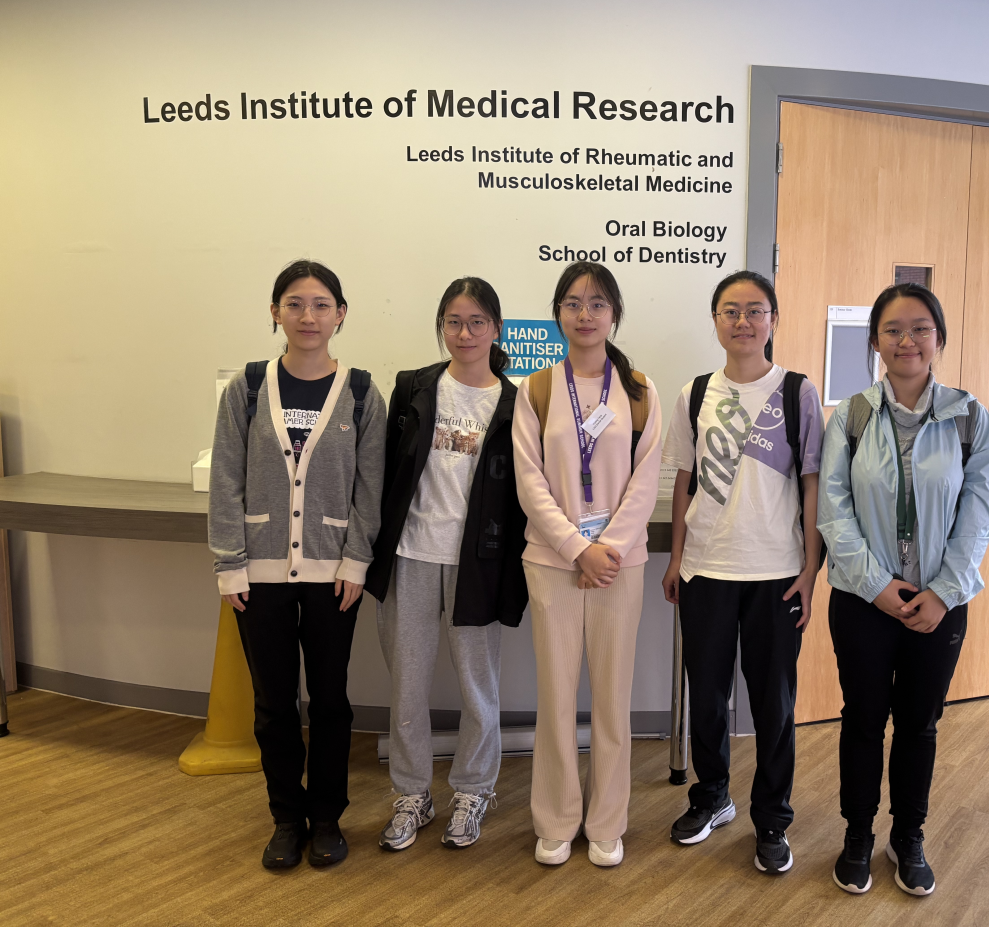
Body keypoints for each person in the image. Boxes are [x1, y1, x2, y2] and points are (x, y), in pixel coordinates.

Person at [818, 283, 989, 897]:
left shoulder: (968, 417)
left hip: (938, 605)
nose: (907, 340)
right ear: (875, 341)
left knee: (920, 724)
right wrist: (877, 586)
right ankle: (857, 835)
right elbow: (833, 512)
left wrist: (945, 591)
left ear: (939, 339)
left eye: (920, 328)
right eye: (893, 329)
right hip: (862, 602)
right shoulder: (850, 417)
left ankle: (908, 836)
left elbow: (978, 512)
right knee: (863, 720)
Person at [209, 259, 385, 869]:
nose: (308, 316)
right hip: (258, 578)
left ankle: (327, 817)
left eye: (320, 304)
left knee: (331, 701)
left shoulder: (361, 392)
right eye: (294, 304)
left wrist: (356, 562)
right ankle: (286, 818)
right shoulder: (248, 387)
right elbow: (226, 480)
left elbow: (371, 487)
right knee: (273, 704)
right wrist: (229, 565)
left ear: (340, 314)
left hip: (334, 577)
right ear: (276, 312)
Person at [660, 270, 824, 875]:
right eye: (730, 311)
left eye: (756, 311)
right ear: (716, 321)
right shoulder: (695, 393)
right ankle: (711, 797)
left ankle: (772, 819)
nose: (743, 322)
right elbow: (683, 480)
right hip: (706, 569)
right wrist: (677, 558)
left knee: (774, 705)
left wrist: (810, 568)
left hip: (777, 573)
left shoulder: (798, 392)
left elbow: (813, 484)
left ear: (773, 321)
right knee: (706, 696)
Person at [364, 277, 527, 852]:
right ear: (442, 327)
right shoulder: (413, 387)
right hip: (409, 555)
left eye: (477, 321)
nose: (465, 332)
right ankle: (412, 793)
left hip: (476, 565)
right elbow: (384, 471)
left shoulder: (515, 403)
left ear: (496, 329)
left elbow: (521, 495)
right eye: (454, 321)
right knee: (406, 688)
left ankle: (473, 790)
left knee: (478, 687)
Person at [512, 261, 662, 869]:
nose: (584, 314)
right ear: (558, 315)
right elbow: (529, 480)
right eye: (573, 303)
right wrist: (578, 548)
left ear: (614, 314)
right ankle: (555, 819)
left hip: (619, 567)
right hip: (553, 563)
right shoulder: (537, 388)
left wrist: (608, 549)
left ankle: (606, 822)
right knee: (554, 697)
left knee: (612, 698)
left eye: (597, 303)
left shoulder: (640, 391)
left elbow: (647, 479)